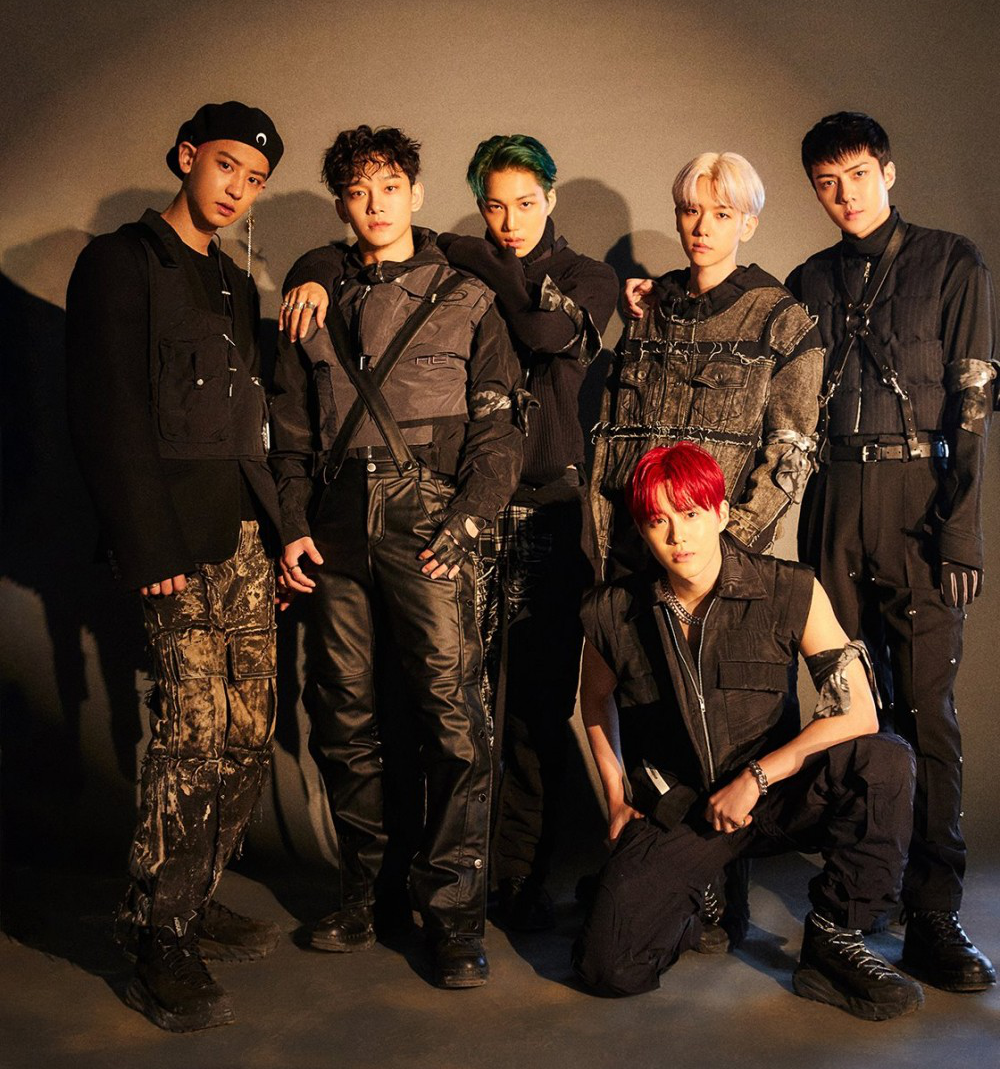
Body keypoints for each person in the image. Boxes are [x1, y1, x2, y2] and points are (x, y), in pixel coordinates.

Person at [280, 134, 620, 930]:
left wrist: (467, 515)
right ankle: (384, 890)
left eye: (525, 203)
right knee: (370, 709)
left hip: (523, 506)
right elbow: (292, 427)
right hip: (380, 512)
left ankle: (498, 892)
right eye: (494, 207)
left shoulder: (544, 280)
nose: (509, 221)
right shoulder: (344, 288)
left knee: (507, 711)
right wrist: (313, 269)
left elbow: (538, 348)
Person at [270, 125, 523, 989]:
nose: (375, 205)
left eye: (389, 187)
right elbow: (289, 435)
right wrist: (293, 524)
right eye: (357, 192)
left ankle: (453, 917)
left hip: (430, 516)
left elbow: (499, 430)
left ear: (415, 193)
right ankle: (365, 896)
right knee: (342, 715)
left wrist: (469, 518)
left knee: (453, 720)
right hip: (336, 521)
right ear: (343, 205)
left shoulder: (469, 295)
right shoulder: (313, 300)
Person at [65, 101, 286, 1032]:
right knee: (193, 736)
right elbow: (105, 409)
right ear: (188, 157)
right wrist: (146, 545)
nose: (238, 189)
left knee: (251, 731)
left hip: (241, 536)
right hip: (173, 545)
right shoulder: (121, 263)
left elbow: (244, 424)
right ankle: (157, 934)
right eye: (226, 165)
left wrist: (281, 531)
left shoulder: (233, 280)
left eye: (255, 179)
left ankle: (191, 892)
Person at [575, 443, 922, 1021]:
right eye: (658, 520)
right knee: (607, 967)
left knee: (883, 760)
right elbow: (594, 699)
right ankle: (700, 899)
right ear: (642, 529)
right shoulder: (611, 611)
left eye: (690, 513)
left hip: (776, 794)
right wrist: (615, 795)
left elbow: (858, 711)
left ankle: (834, 939)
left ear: (720, 513)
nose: (677, 535)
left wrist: (758, 777)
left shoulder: (789, 588)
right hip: (684, 810)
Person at [786, 110, 998, 993]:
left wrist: (960, 527)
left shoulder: (953, 263)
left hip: (920, 499)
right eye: (827, 183)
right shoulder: (806, 280)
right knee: (848, 705)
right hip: (833, 500)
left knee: (926, 711)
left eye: (859, 175)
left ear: (889, 171)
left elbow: (973, 409)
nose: (845, 195)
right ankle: (859, 896)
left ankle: (934, 910)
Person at [593, 151, 822, 577]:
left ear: (747, 225)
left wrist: (733, 544)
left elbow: (791, 452)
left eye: (722, 214)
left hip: (716, 558)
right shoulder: (650, 309)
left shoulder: (779, 319)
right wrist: (601, 534)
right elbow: (613, 434)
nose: (702, 228)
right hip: (631, 548)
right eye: (691, 211)